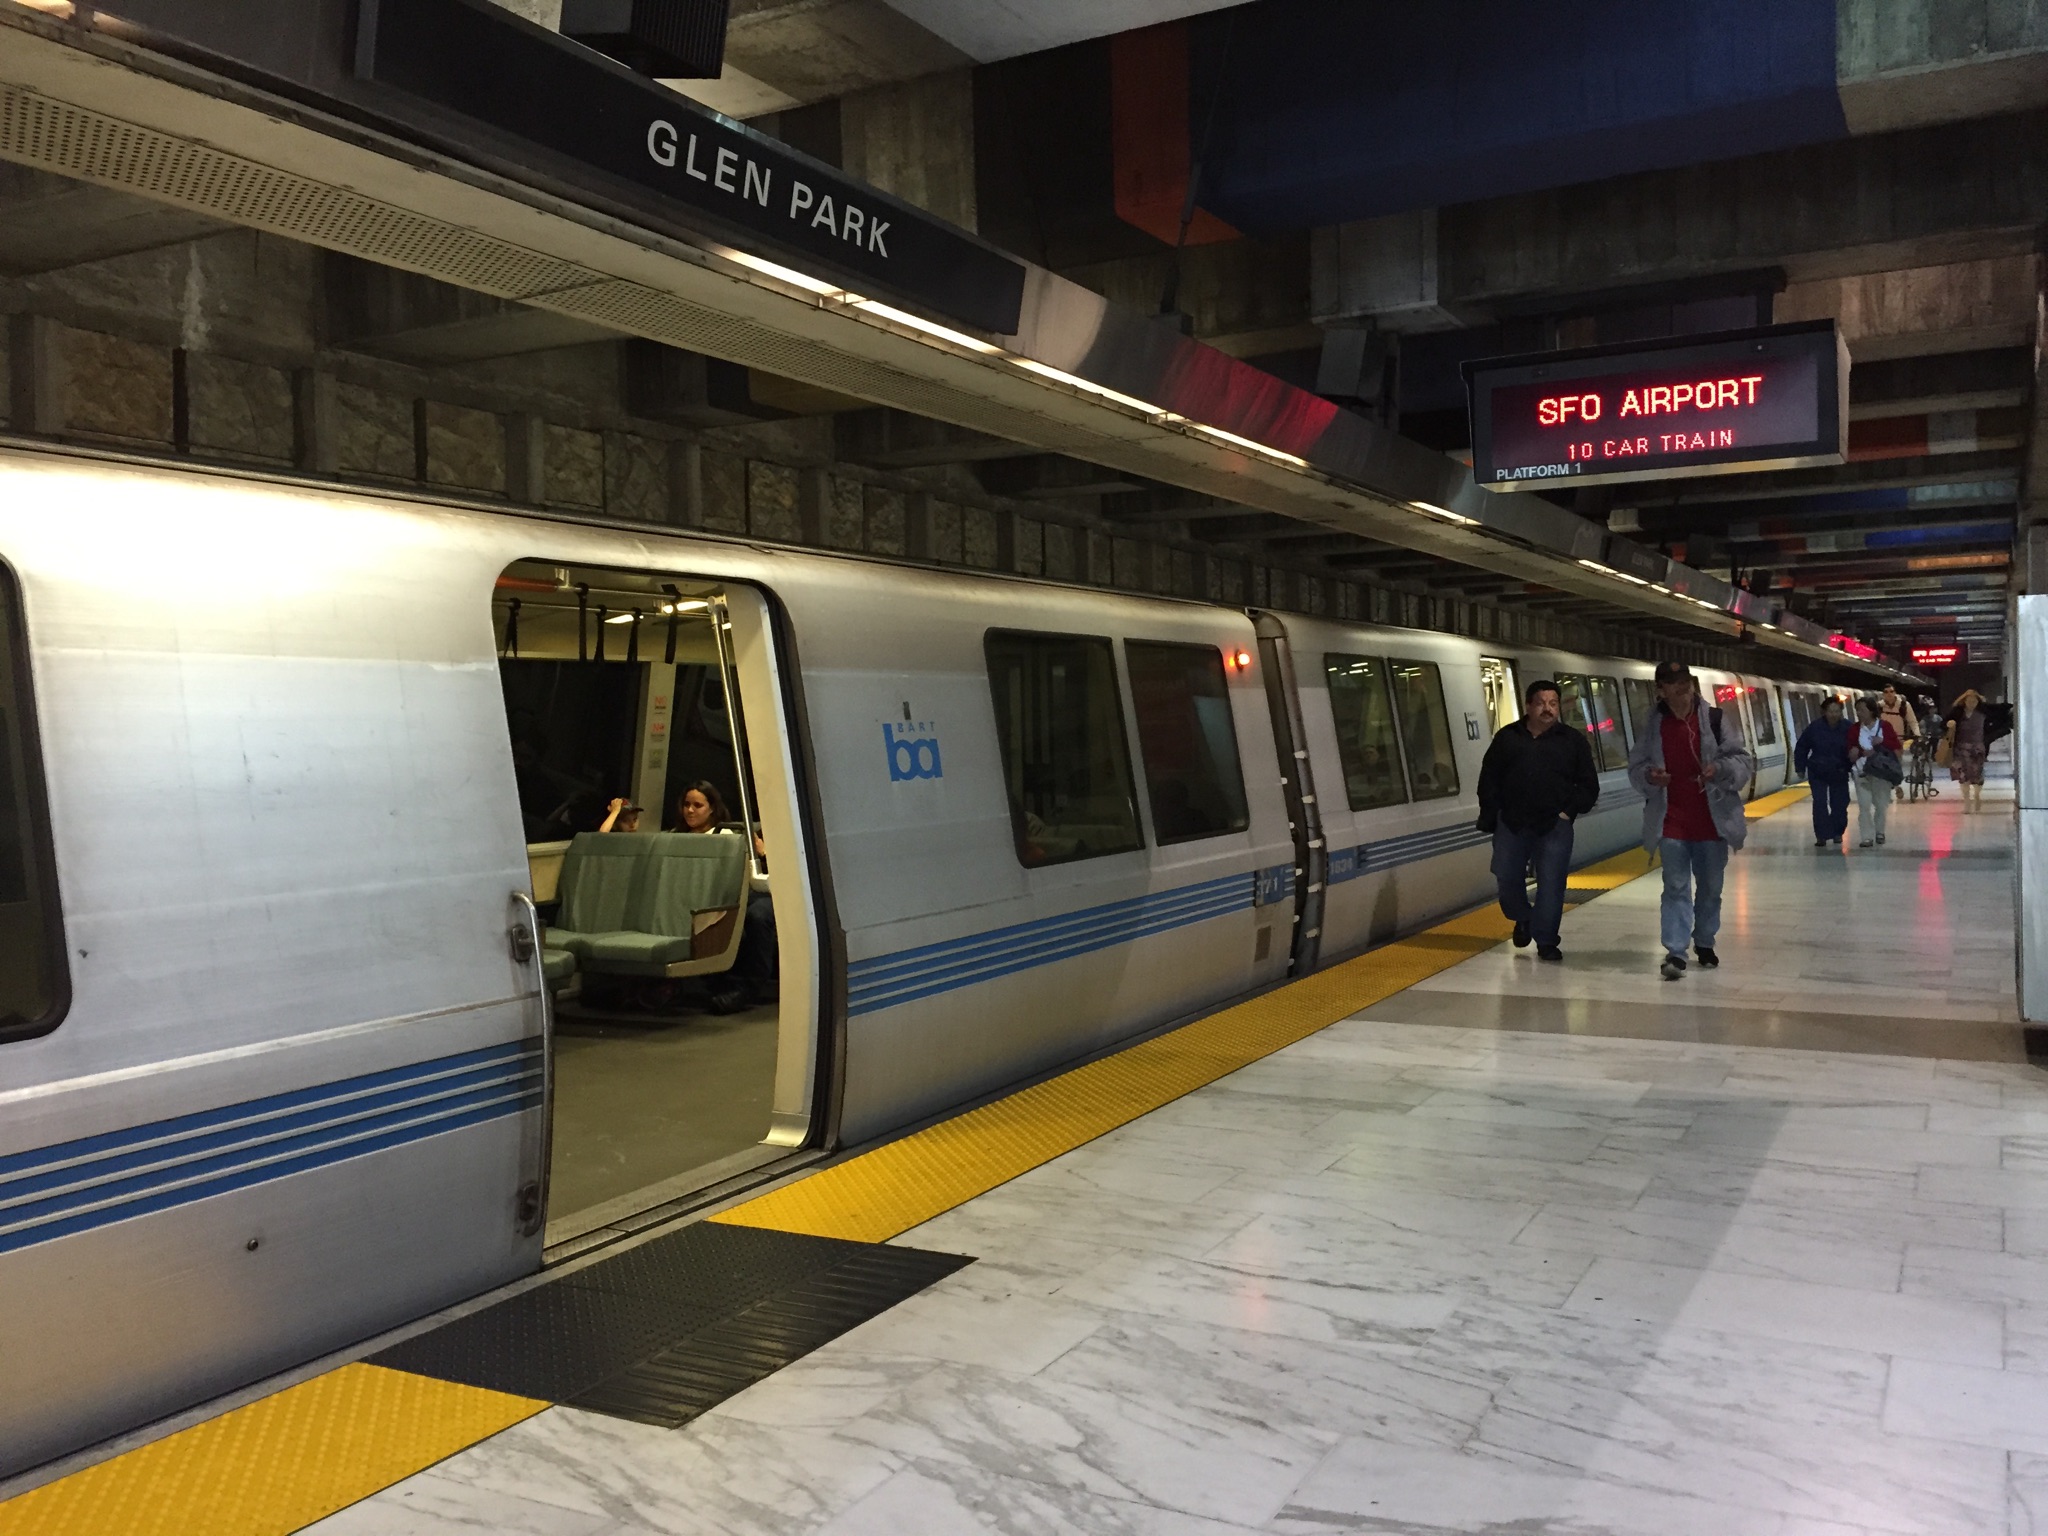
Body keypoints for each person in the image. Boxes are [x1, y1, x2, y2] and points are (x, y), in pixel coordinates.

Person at [1626, 662, 1755, 982]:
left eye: (1685, 681)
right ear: (1661, 690)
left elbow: (1742, 760)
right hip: (1671, 819)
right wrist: (1650, 776)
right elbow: (1636, 766)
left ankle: (1705, 940)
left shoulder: (1715, 719)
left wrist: (1720, 769)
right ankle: (1675, 951)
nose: (1682, 687)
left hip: (1713, 820)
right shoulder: (1652, 725)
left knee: (1711, 887)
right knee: (1675, 886)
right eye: (1674, 683)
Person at [1475, 678, 1600, 963]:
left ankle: (1546, 940)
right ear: (1528, 706)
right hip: (1512, 822)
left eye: (1553, 703)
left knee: (1552, 883)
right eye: (1541, 703)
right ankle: (1522, 916)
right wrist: (1493, 813)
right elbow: (1488, 778)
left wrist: (1568, 812)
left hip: (1554, 825)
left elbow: (1588, 785)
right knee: (1506, 876)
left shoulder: (1572, 741)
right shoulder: (1507, 738)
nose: (1548, 709)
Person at [674, 780, 777, 1013]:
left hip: (742, 893)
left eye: (697, 805)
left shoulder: (727, 836)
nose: (690, 810)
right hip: (699, 894)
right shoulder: (677, 838)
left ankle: (746, 986)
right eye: (687, 805)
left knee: (756, 916)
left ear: (712, 808)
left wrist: (763, 852)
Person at [1792, 697, 1853, 849]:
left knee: (1839, 803)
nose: (1834, 714)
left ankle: (1837, 831)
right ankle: (1821, 835)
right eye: (1830, 711)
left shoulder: (1848, 727)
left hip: (1839, 771)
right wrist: (1800, 767)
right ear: (1824, 712)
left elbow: (1855, 746)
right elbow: (1802, 747)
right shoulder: (1814, 728)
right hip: (1818, 771)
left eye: (1837, 711)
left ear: (1841, 712)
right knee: (1819, 803)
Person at [1847, 697, 1901, 848]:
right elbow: (1850, 747)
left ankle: (1880, 832)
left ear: (1871, 711)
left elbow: (1896, 747)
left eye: (1862, 710)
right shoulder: (1854, 729)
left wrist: (1882, 743)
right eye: (1857, 710)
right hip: (1861, 771)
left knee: (1881, 805)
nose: (1859, 713)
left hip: (1881, 773)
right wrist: (1854, 752)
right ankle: (1866, 837)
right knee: (1864, 805)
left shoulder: (1885, 727)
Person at [1944, 690, 1990, 813]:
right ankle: (1967, 802)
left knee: (1977, 774)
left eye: (1974, 701)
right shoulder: (1957, 713)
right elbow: (1943, 724)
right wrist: (1949, 724)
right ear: (1964, 701)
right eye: (1969, 701)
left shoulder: (1983, 713)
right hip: (1960, 747)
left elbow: (1990, 728)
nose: (1971, 704)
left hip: (1977, 748)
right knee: (1963, 775)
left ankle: (1977, 795)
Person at [1878, 685, 1919, 804]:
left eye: (1891, 691)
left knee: (1896, 764)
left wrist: (1917, 734)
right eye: (1886, 692)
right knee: (1883, 765)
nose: (1889, 694)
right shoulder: (1879, 706)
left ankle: (1895, 785)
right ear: (1883, 694)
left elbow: (1912, 721)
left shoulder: (1904, 705)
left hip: (1898, 740)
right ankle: (1890, 789)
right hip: (1883, 740)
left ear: (1895, 692)